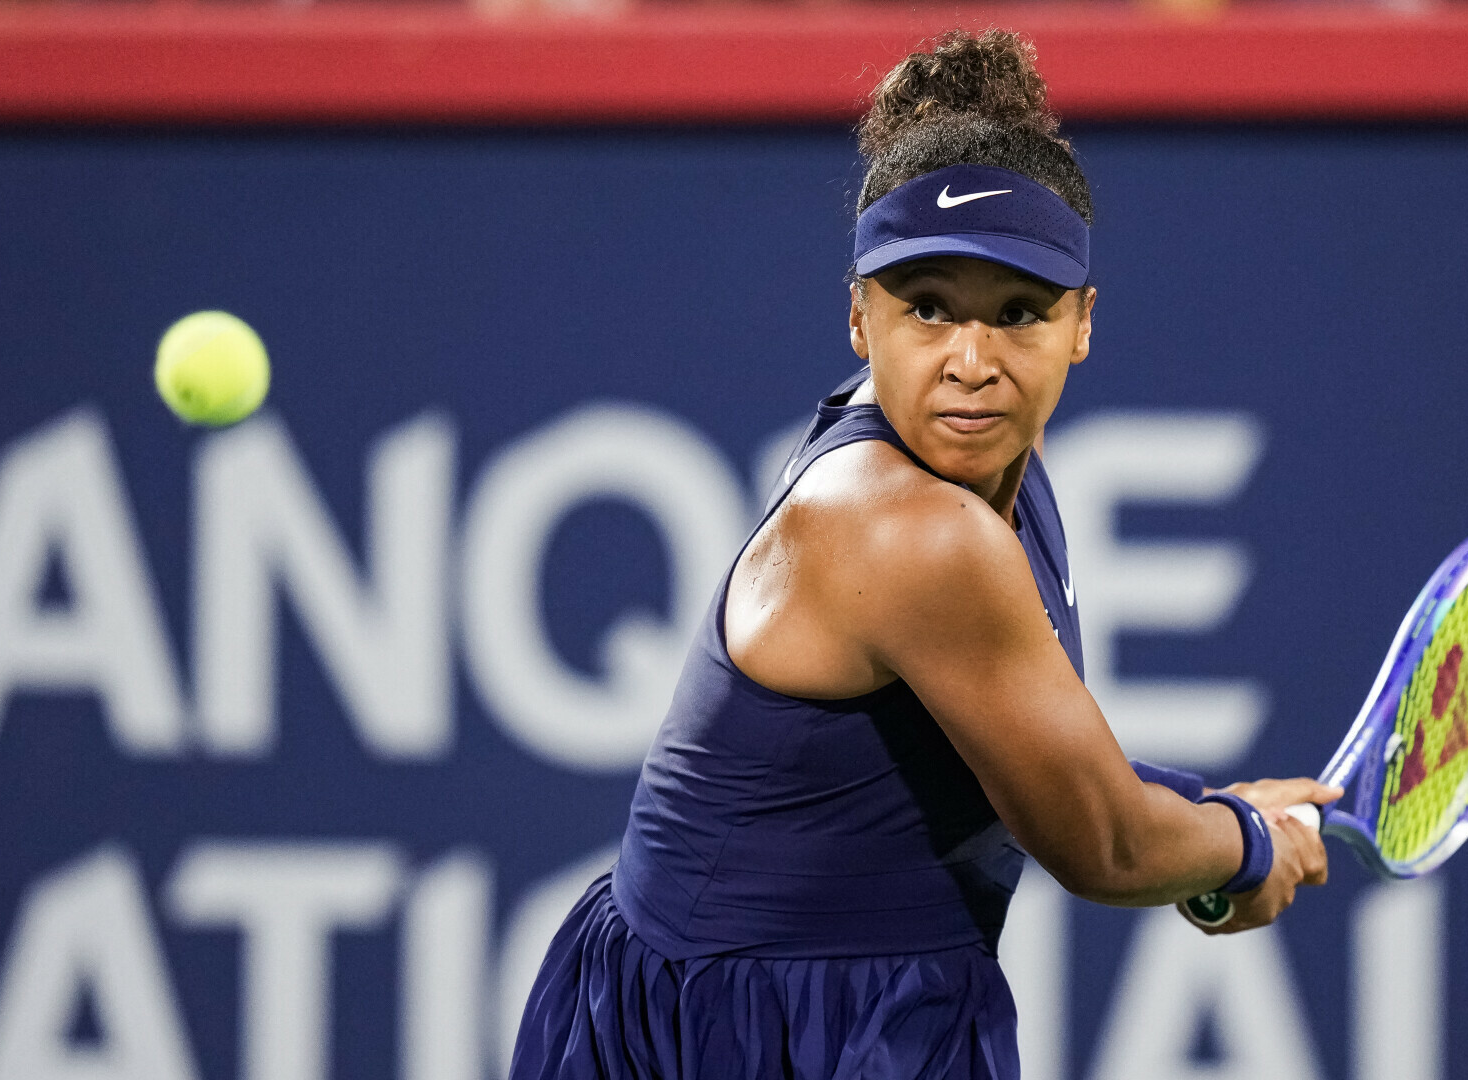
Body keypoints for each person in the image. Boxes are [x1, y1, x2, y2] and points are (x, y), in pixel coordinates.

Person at [509, 28, 1337, 1080]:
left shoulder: (981, 469)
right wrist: (1240, 847)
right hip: (747, 1031)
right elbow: (1101, 844)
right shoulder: (912, 529)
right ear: (861, 317)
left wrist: (1213, 820)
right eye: (928, 308)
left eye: (1020, 313)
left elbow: (1028, 751)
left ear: (1083, 324)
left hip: (833, 1000)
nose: (971, 362)